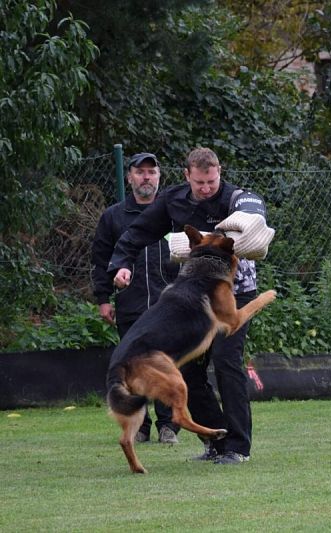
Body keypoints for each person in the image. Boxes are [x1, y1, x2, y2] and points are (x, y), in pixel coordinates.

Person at [107, 147, 268, 465]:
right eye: (200, 183)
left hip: (234, 291)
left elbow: (253, 210)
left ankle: (238, 447)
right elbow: (139, 231)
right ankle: (216, 441)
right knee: (189, 371)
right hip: (193, 295)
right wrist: (122, 263)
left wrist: (247, 222)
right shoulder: (173, 199)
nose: (207, 188)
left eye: (211, 181)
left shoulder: (236, 197)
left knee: (225, 360)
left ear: (219, 172)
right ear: (187, 176)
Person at [91, 152, 181, 444]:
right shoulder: (113, 216)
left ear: (159, 177)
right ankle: (141, 425)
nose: (146, 177)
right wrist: (103, 298)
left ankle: (168, 426)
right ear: (129, 177)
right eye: (139, 172)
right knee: (133, 366)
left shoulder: (173, 214)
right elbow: (100, 258)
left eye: (151, 172)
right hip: (129, 305)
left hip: (167, 305)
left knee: (166, 364)